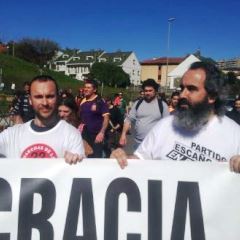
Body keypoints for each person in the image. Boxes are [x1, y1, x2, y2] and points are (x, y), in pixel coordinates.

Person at [111, 62, 240, 173]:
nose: (182, 95)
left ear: (212, 96)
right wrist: (122, 157)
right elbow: (140, 159)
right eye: (182, 88)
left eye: (191, 89)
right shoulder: (165, 125)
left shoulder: (235, 135)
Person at [0, 75, 85, 164]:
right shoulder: (12, 135)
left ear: (57, 98)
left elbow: (80, 172)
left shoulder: (71, 134)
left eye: (50, 96)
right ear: (30, 100)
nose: (45, 103)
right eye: (38, 97)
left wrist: (75, 161)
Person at [119, 79, 169, 150]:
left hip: (155, 144)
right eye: (146, 91)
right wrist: (123, 134)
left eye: (150, 90)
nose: (148, 93)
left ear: (155, 91)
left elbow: (167, 125)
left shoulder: (162, 105)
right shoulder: (137, 103)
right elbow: (128, 120)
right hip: (138, 143)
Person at [79, 79, 109, 158]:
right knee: (85, 157)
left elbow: (106, 118)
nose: (86, 89)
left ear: (94, 90)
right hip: (85, 135)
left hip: (96, 135)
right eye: (85, 87)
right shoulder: (83, 100)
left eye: (89, 87)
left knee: (96, 158)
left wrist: (102, 133)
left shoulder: (100, 101)